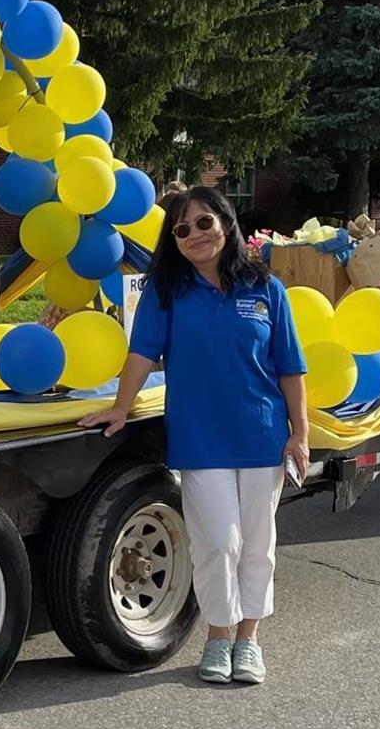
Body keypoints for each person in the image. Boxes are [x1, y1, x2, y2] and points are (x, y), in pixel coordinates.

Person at [81, 185, 309, 686]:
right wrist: (121, 406)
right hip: (200, 437)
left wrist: (300, 433)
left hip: (262, 436)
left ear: (226, 224)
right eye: (182, 229)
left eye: (204, 222)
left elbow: (290, 366)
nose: (195, 235)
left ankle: (248, 640)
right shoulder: (168, 292)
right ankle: (217, 636)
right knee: (216, 541)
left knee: (257, 543)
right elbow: (142, 352)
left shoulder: (265, 288)